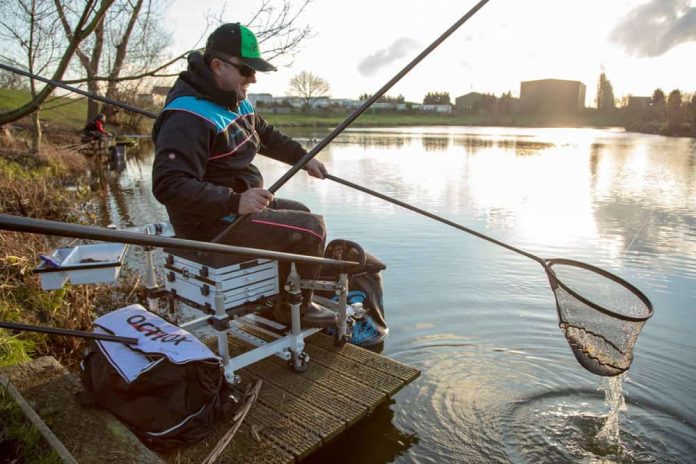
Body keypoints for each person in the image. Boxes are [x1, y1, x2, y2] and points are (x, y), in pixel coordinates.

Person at [151, 23, 337, 328]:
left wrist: (302, 158)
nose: (253, 77)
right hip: (211, 223)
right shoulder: (186, 117)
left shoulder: (233, 99)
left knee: (301, 212)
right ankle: (298, 309)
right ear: (217, 66)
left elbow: (265, 134)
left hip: (235, 206)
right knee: (312, 228)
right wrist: (234, 201)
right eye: (247, 69)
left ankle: (278, 301)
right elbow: (168, 185)